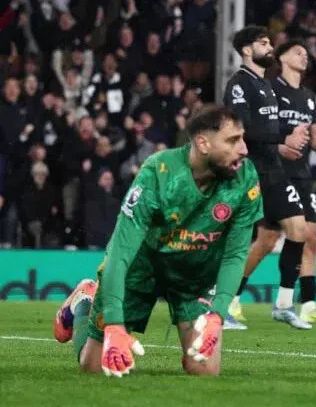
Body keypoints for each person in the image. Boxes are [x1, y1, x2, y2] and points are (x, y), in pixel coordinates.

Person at [52, 105, 263, 377]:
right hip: (142, 268)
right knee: (93, 368)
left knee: (205, 370)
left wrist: (218, 314)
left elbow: (235, 254)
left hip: (193, 276)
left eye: (242, 138)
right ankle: (85, 301)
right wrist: (114, 323)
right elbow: (120, 251)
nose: (244, 149)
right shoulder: (159, 173)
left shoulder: (244, 177)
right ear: (203, 142)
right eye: (233, 140)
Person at [227, 39, 316, 326]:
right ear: (281, 58)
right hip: (276, 173)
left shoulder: (308, 96)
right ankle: (284, 303)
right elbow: (264, 130)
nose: (304, 57)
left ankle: (299, 304)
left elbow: (314, 136)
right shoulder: (270, 90)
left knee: (278, 239)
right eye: (298, 52)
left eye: (307, 53)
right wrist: (279, 147)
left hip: (302, 173)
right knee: (299, 233)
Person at [223, 26, 312, 330]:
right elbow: (242, 129)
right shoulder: (239, 85)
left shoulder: (266, 85)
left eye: (270, 42)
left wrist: (281, 147)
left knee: (297, 229)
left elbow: (268, 132)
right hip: (248, 172)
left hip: (273, 170)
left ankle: (284, 305)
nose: (269, 46)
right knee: (239, 241)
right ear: (247, 50)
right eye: (263, 43)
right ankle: (222, 306)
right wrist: (284, 138)